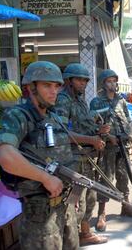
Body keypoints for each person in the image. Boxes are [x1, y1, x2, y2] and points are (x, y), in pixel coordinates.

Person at [0, 61, 79, 249]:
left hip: (65, 207)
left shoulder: (54, 117)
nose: (53, 91)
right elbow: (5, 156)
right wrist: (45, 178)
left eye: (56, 86)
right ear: (31, 88)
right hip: (40, 216)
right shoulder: (19, 116)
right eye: (46, 85)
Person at [54, 63, 109, 246]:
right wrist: (91, 140)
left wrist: (98, 130)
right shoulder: (62, 100)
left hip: (87, 158)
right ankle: (72, 240)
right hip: (73, 160)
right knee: (76, 203)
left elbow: (84, 125)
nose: (83, 83)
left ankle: (84, 234)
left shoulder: (80, 100)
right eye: (79, 80)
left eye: (85, 80)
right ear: (68, 80)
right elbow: (61, 133)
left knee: (90, 199)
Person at [90, 69, 132, 232]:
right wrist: (108, 136)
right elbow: (93, 125)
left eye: (114, 81)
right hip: (107, 148)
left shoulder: (121, 100)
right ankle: (101, 213)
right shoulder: (96, 102)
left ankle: (125, 206)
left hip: (123, 145)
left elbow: (128, 122)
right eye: (109, 81)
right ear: (103, 84)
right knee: (106, 179)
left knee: (124, 177)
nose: (113, 84)